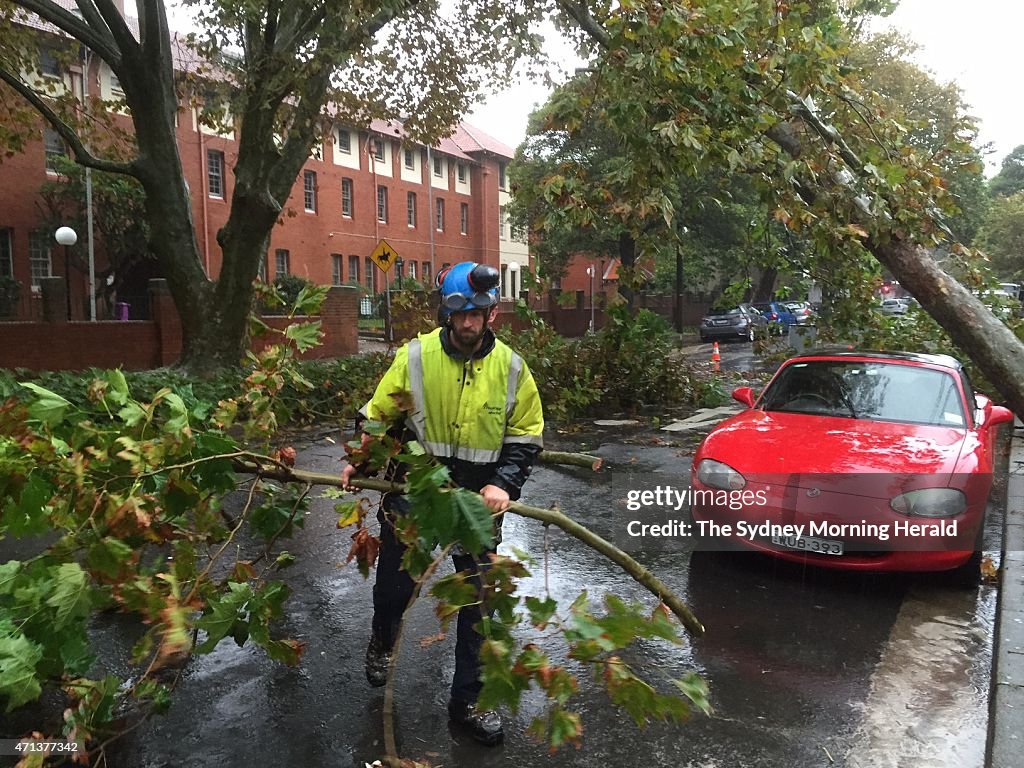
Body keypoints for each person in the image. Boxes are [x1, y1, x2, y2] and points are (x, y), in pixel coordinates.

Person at [341, 261, 544, 746]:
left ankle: (467, 703)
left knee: (476, 603)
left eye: (477, 313)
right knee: (395, 587)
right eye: (460, 313)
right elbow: (380, 417)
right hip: (416, 492)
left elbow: (525, 435)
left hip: (477, 502)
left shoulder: (512, 368)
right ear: (446, 314)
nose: (469, 323)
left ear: (491, 313)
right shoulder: (416, 357)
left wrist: (504, 484)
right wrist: (361, 462)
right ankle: (384, 636)